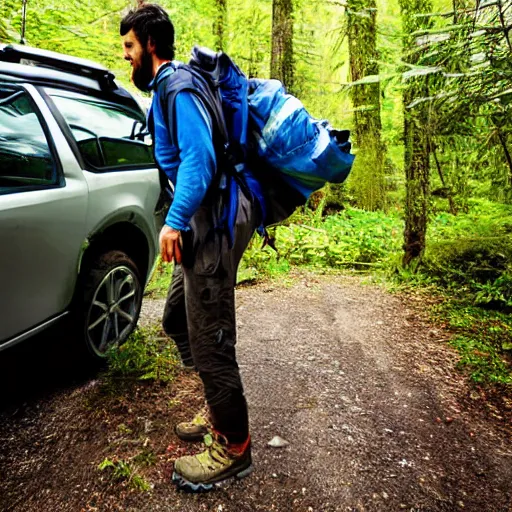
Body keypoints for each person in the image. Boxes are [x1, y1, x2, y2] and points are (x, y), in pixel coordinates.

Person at [120, 4, 261, 491]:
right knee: (177, 317)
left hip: (213, 222)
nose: (127, 59)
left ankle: (234, 446)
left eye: (130, 48)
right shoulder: (169, 87)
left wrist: (173, 223)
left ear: (150, 46)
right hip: (206, 220)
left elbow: (199, 161)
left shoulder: (176, 87)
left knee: (210, 337)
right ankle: (216, 404)